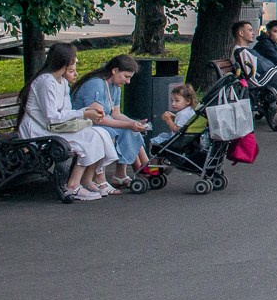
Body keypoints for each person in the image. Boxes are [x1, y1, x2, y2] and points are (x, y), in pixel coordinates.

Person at [20, 42, 122, 201]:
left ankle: (75, 183)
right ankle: (74, 186)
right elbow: (52, 116)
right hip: (38, 130)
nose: (77, 62)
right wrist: (84, 112)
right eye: (74, 59)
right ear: (65, 61)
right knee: (89, 138)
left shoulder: (63, 82)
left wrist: (86, 113)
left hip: (53, 128)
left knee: (98, 133)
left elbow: (65, 112)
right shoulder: (46, 81)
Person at [72, 54, 152, 192]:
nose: (128, 82)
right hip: (85, 123)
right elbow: (98, 118)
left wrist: (134, 123)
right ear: (114, 71)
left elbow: (116, 113)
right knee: (117, 131)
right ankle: (141, 169)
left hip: (97, 122)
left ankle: (122, 174)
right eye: (126, 76)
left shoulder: (115, 86)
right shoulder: (96, 84)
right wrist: (129, 125)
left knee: (130, 130)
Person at [150, 83, 200, 148]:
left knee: (153, 141)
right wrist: (174, 117)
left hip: (176, 141)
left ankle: (152, 157)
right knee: (163, 135)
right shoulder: (189, 111)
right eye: (172, 101)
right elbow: (184, 124)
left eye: (177, 101)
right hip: (184, 139)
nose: (173, 104)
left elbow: (177, 131)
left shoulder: (183, 114)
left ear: (188, 101)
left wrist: (168, 120)